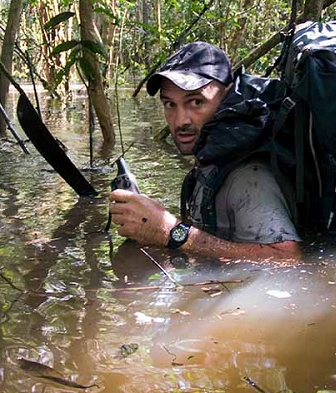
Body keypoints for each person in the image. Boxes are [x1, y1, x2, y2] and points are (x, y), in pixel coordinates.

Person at [109, 42, 302, 261]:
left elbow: (287, 259)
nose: (181, 121)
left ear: (226, 96)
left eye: (196, 102)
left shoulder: (248, 175)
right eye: (170, 104)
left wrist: (171, 232)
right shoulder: (213, 158)